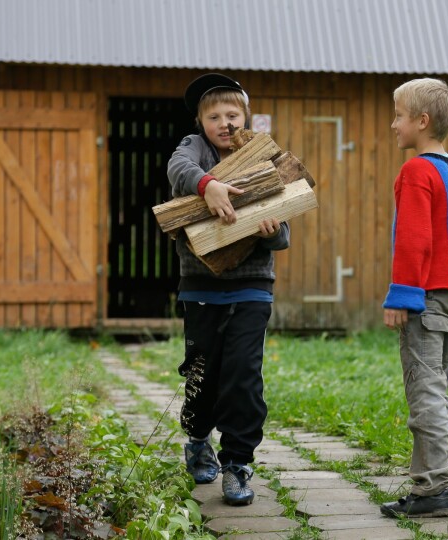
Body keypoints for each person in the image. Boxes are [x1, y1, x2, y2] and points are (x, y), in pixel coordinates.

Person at [167, 73, 289, 506]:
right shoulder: (194, 150)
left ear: (246, 117)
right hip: (200, 285)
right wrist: (208, 185)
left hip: (252, 286)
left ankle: (237, 463)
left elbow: (285, 229)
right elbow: (178, 170)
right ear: (201, 122)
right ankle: (198, 439)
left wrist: (272, 231)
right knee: (203, 372)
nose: (224, 122)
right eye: (214, 115)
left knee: (243, 377)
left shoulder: (259, 156)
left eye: (232, 114)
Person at [380, 78, 448, 518]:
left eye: (399, 116)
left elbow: (415, 240)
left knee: (424, 393)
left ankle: (431, 488)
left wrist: (402, 295)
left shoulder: (416, 171)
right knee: (437, 390)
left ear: (422, 122)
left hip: (426, 300)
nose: (393, 124)